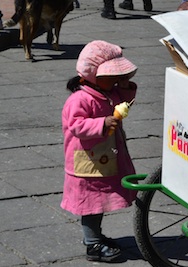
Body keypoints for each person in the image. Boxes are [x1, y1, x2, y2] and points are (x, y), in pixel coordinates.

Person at [61, 40, 138, 262]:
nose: (115, 80)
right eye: (112, 77)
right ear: (94, 76)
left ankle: (95, 236)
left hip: (103, 157)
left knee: (99, 201)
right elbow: (76, 125)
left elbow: (126, 102)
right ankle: (93, 245)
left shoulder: (110, 92)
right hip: (87, 161)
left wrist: (124, 85)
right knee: (91, 202)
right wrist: (101, 124)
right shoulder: (79, 99)